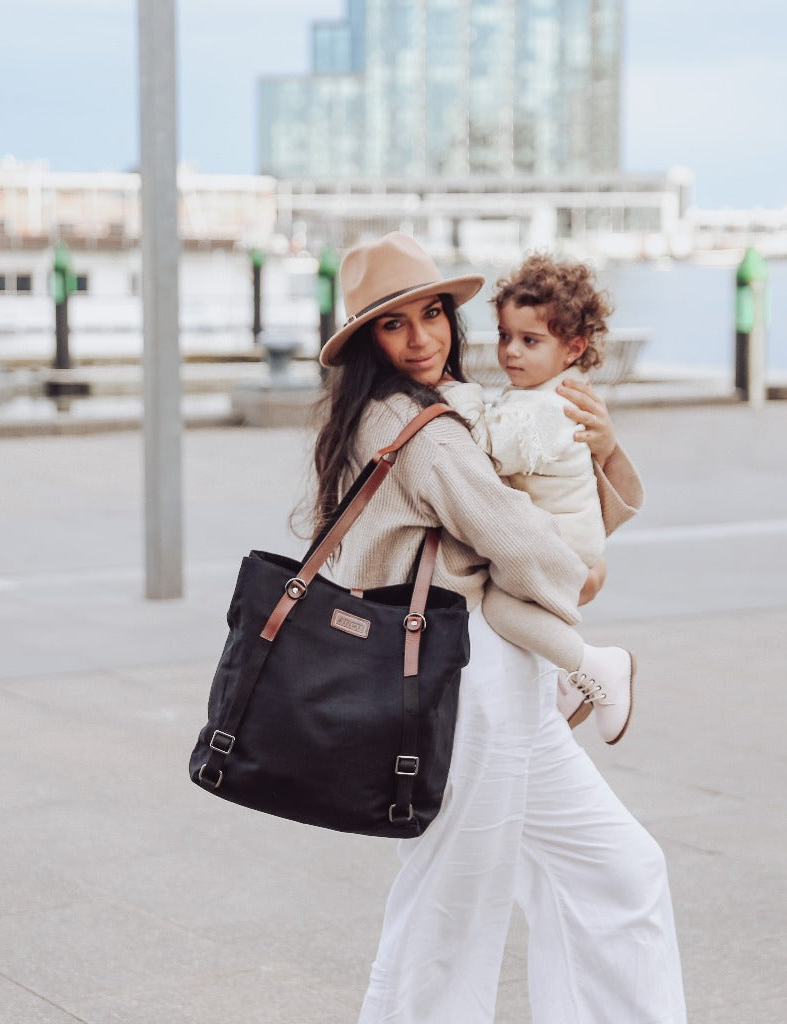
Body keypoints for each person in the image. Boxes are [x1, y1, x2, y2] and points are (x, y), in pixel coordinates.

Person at [312, 232, 686, 1024]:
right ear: (368, 342)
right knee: (451, 912)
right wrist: (577, 593)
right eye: (395, 324)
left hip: (505, 676)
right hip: (460, 686)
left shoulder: (449, 411)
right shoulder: (413, 427)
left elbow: (539, 520)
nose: (422, 338)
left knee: (619, 871)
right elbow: (522, 541)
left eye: (432, 314)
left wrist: (605, 451)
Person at [438, 253, 636, 742]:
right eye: (505, 336)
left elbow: (488, 446)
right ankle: (568, 687)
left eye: (530, 341)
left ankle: (596, 666)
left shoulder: (548, 406)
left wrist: (456, 393)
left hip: (559, 540)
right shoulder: (547, 393)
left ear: (572, 348)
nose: (510, 352)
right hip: (561, 534)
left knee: (501, 610)